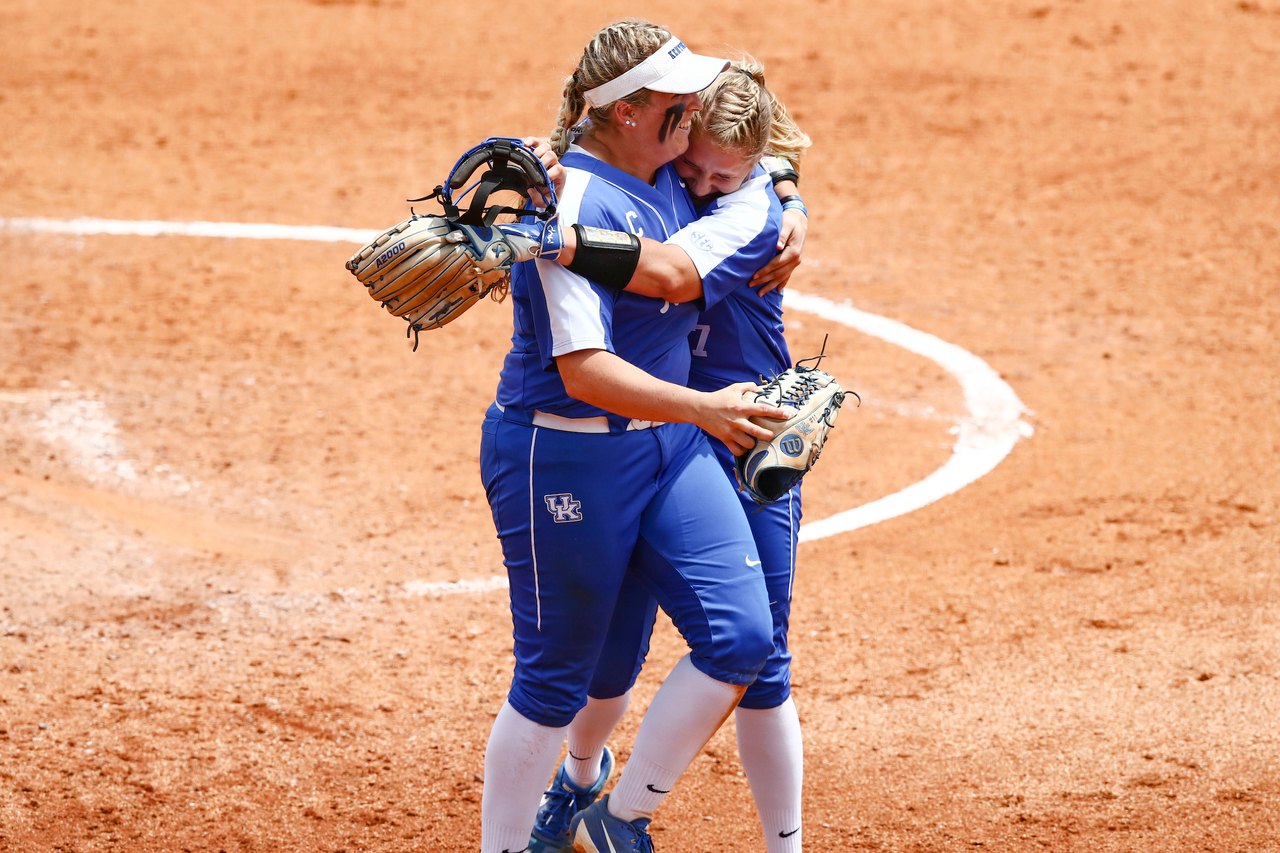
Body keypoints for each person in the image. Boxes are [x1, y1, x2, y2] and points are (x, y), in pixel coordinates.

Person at [477, 21, 793, 853]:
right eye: (678, 99)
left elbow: (742, 180)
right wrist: (706, 410)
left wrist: (789, 192)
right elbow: (583, 371)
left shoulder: (676, 177)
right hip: (567, 450)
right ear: (628, 112)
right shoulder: (571, 201)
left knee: (742, 636)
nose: (695, 109)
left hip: (666, 445)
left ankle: (613, 819)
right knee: (561, 676)